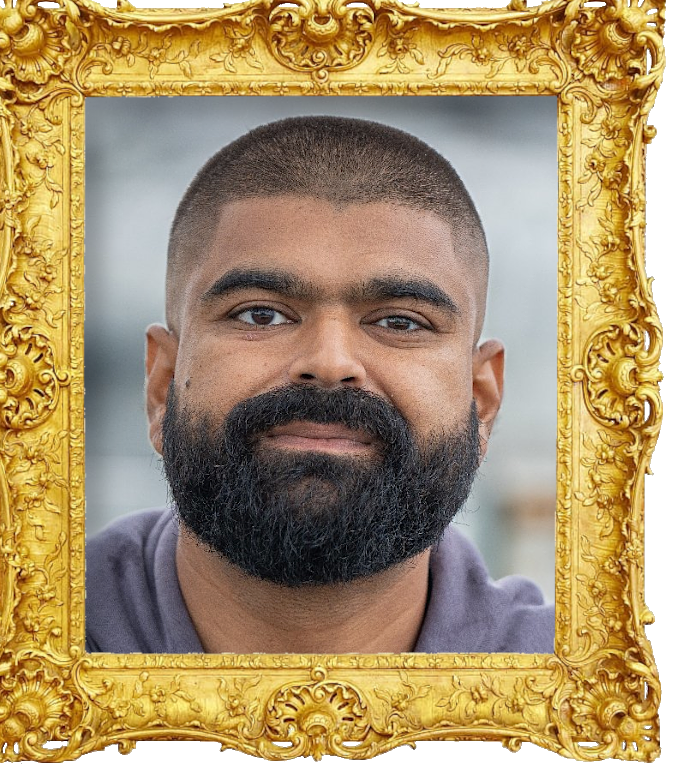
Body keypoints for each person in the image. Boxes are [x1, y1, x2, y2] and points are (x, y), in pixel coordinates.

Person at [86, 116, 554, 655]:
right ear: (162, 385)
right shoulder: (29, 647)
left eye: (400, 322)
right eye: (260, 315)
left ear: (482, 401)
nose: (329, 363)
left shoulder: (586, 697)